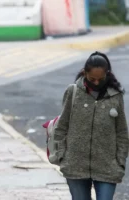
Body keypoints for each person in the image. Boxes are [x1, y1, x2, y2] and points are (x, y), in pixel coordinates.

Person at [54, 51, 129, 200]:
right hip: (75, 165)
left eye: (100, 79)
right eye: (92, 78)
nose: (96, 82)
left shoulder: (115, 96)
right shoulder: (73, 92)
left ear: (107, 74)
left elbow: (122, 132)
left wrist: (120, 161)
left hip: (107, 167)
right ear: (84, 72)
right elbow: (61, 126)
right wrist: (62, 155)